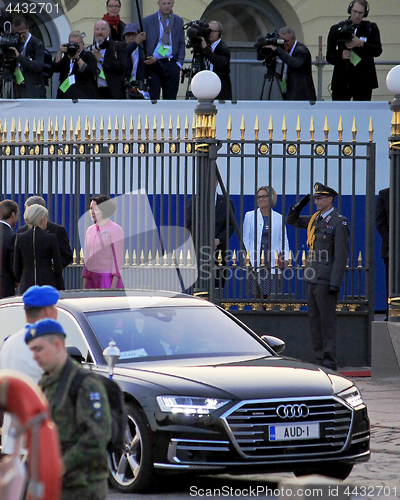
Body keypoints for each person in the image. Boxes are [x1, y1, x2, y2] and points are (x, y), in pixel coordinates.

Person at [25, 318, 111, 500]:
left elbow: (97, 436)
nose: (34, 356)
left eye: (38, 349)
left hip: (83, 488)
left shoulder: (84, 383)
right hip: (54, 485)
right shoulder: (45, 383)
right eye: (31, 350)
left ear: (57, 345)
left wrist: (60, 465)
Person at [286, 182, 350, 371]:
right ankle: (319, 359)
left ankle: (329, 361)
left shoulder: (339, 221)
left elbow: (341, 254)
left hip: (326, 278)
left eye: (320, 198)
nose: (317, 201)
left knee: (327, 322)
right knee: (314, 320)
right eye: (315, 198)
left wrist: (336, 282)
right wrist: (299, 206)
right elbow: (292, 220)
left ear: (330, 199)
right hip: (312, 276)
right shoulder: (315, 219)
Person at [0, 285, 59, 455]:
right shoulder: (46, 345)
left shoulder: (8, 343)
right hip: (38, 442)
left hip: (11, 442)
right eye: (54, 308)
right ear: (48, 312)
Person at [326, 0, 382, 101]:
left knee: (362, 112)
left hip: (363, 79)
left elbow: (377, 50)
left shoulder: (370, 28)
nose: (357, 16)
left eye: (360, 13)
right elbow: (329, 56)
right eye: (354, 12)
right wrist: (341, 55)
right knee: (340, 112)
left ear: (365, 13)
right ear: (350, 11)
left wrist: (361, 43)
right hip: (342, 79)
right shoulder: (337, 29)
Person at [185, 179, 235, 290]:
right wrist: (202, 240)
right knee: (199, 288)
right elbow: (189, 225)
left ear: (216, 182)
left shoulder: (227, 202)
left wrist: (218, 240)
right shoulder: (194, 201)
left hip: (220, 251)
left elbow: (231, 225)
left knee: (218, 287)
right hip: (199, 250)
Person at [17, 195, 73, 290]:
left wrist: (52, 268)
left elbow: (67, 255)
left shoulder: (57, 230)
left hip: (52, 281)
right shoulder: (21, 232)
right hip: (28, 282)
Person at [243, 186, 290, 298]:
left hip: (272, 260)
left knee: (271, 295)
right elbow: (246, 238)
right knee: (257, 294)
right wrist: (246, 256)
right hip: (256, 258)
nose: (261, 199)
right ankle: (258, 313)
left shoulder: (278, 217)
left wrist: (286, 258)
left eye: (264, 196)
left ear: (271, 198)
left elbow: (283, 240)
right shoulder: (250, 216)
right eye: (259, 197)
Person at [14, 204, 63, 293]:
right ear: (42, 220)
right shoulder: (50, 238)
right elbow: (58, 267)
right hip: (47, 281)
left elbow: (17, 265)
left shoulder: (20, 238)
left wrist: (21, 277)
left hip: (26, 282)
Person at [142, 0, 185, 100]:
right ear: (158, 4)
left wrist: (179, 64)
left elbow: (182, 43)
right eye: (164, 3)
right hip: (153, 63)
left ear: (173, 4)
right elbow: (143, 42)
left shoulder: (178, 21)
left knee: (170, 98)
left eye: (169, 3)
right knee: (153, 97)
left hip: (171, 62)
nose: (166, 6)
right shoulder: (148, 20)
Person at [261, 26, 316, 101]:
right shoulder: (287, 51)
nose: (284, 44)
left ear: (294, 39)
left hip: (301, 97)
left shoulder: (301, 50)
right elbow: (288, 72)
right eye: (282, 41)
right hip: (290, 94)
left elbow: (294, 63)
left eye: (287, 41)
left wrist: (277, 50)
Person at [82, 195, 124, 290]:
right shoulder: (89, 230)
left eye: (95, 209)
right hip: (91, 278)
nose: (92, 212)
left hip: (107, 278)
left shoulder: (115, 229)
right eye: (90, 209)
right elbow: (87, 257)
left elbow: (117, 259)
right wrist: (84, 281)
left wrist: (113, 285)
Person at [87, 20, 127, 99]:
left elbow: (122, 67)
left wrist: (102, 59)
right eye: (97, 29)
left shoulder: (117, 46)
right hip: (94, 91)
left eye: (103, 29)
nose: (99, 32)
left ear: (108, 31)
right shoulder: (90, 49)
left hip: (111, 91)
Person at [53, 30, 98, 99]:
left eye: (76, 44)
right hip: (65, 95)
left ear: (82, 43)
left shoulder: (88, 56)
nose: (74, 46)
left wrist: (77, 58)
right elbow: (55, 67)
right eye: (71, 44)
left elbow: (89, 73)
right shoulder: (67, 56)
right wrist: (60, 52)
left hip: (83, 95)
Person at [10, 16, 46, 98]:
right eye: (18, 34)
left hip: (33, 90)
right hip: (18, 88)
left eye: (23, 33)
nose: (21, 36)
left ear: (28, 29)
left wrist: (19, 57)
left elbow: (38, 66)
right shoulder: (16, 43)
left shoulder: (37, 44)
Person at [200, 21, 232, 101]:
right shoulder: (207, 47)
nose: (210, 33)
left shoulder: (223, 48)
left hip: (220, 88)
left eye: (213, 31)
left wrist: (206, 49)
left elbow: (220, 63)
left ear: (219, 33)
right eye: (209, 31)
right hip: (206, 87)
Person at [123, 23, 149, 99]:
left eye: (133, 35)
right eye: (128, 35)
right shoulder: (121, 49)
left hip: (140, 88)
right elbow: (125, 54)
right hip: (125, 89)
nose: (131, 37)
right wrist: (135, 43)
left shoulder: (143, 50)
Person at [375, 187, 389, 319]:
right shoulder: (385, 194)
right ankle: (392, 313)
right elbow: (379, 221)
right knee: (391, 284)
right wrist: (392, 241)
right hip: (391, 249)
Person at [0, 200, 18, 299]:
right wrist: (16, 279)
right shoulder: (11, 236)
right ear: (13, 215)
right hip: (4, 286)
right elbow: (12, 263)